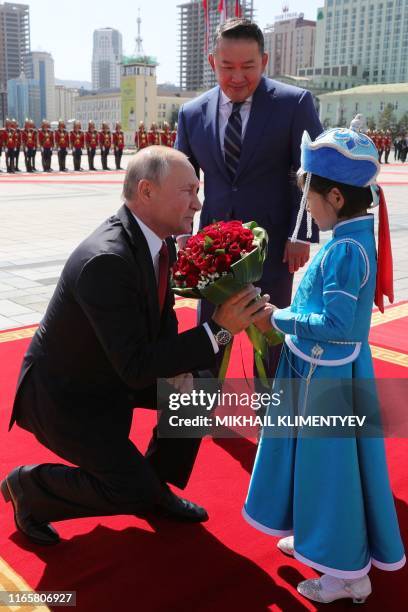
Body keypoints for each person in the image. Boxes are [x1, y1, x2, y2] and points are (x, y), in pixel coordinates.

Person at [1, 146, 270, 546]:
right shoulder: (107, 260)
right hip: (67, 398)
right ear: (146, 191)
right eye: (188, 191)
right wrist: (218, 330)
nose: (198, 203)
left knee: (197, 384)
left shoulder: (158, 240)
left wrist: (179, 366)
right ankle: (31, 488)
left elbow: (163, 315)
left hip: (110, 373)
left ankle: (154, 488)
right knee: (127, 489)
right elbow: (135, 367)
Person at [243, 128, 406, 604]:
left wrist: (279, 317)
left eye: (309, 196)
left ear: (335, 196)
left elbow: (338, 324)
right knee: (311, 464)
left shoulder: (347, 251)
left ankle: (347, 575)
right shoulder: (347, 242)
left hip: (327, 375)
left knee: (330, 471)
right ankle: (316, 536)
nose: (306, 206)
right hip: (317, 367)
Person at [175, 18, 322, 379]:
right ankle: (199, 410)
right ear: (213, 63)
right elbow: (183, 182)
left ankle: (272, 419)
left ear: (265, 61)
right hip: (212, 252)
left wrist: (301, 235)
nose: (237, 76)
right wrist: (182, 237)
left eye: (248, 67)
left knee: (272, 337)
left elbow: (312, 173)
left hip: (273, 249)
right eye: (227, 67)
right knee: (210, 335)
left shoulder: (293, 103)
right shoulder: (192, 113)